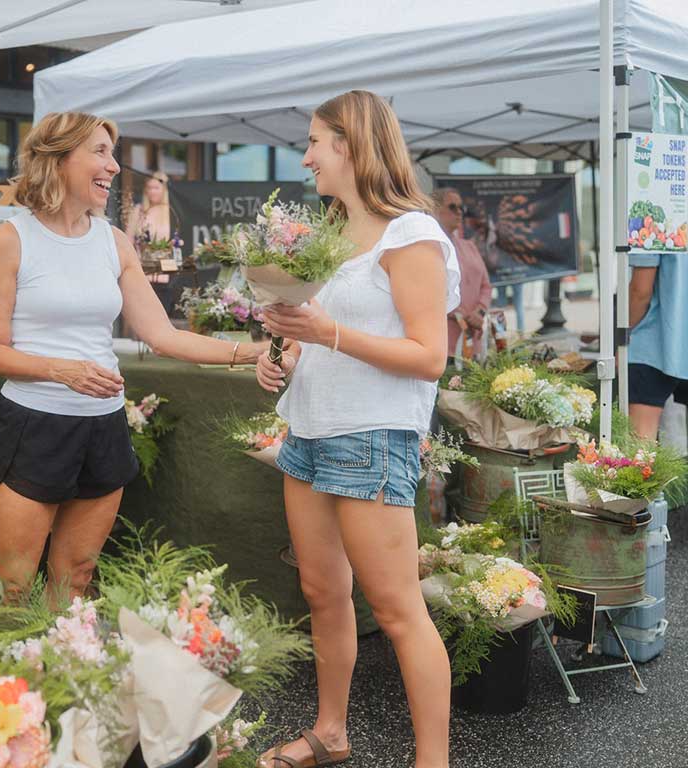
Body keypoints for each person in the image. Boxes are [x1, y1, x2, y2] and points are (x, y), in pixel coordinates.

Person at [0, 112, 267, 606]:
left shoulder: (113, 241)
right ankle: (8, 684)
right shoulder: (9, 240)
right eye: (101, 152)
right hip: (34, 426)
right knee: (14, 583)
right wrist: (58, 369)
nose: (114, 166)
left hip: (103, 426)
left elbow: (163, 336)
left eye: (114, 153)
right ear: (59, 158)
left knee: (79, 575)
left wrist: (248, 351)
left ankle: (64, 677)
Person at [256, 91, 459, 768]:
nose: (306, 155)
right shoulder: (327, 236)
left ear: (351, 145)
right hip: (309, 431)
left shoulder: (412, 235)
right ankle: (332, 732)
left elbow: (430, 356)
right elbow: (323, 334)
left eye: (315, 141)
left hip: (372, 436)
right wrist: (286, 349)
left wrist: (329, 332)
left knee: (398, 610)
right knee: (321, 591)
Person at [628, 252, 688, 440]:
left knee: (641, 450)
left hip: (654, 341)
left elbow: (640, 291)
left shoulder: (651, 220)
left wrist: (622, 335)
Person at [434, 187, 492, 361]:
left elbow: (486, 286)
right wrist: (460, 314)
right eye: (453, 207)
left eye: (461, 208)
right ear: (434, 210)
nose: (459, 212)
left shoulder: (469, 246)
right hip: (444, 344)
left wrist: (478, 313)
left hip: (473, 340)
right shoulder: (428, 248)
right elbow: (428, 292)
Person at [125, 171, 172, 251]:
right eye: (149, 188)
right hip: (142, 259)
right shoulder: (139, 210)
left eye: (156, 188)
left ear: (164, 189)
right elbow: (129, 238)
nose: (152, 192)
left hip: (166, 260)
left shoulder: (170, 211)